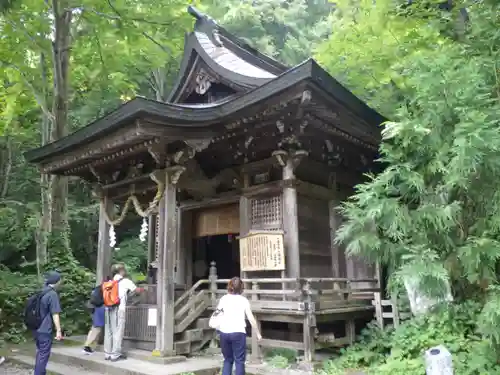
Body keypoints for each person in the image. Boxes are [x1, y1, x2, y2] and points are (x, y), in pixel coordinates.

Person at [216, 277, 262, 375]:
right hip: (238, 332)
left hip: (224, 332)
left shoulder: (223, 299)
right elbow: (251, 319)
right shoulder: (243, 300)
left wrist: (217, 329)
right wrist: (258, 333)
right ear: (241, 288)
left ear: (229, 286)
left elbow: (217, 315)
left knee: (227, 360)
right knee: (239, 361)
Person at [104, 264, 144, 362]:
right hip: (119, 309)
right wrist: (143, 289)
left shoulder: (109, 282)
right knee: (118, 332)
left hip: (108, 308)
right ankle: (115, 355)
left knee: (109, 331)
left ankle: (107, 354)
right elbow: (136, 291)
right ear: (121, 271)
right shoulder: (125, 281)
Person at [34, 271, 63, 375]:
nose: (61, 282)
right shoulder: (52, 294)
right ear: (56, 281)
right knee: (43, 355)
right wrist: (58, 331)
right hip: (45, 329)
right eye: (60, 280)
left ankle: (39, 372)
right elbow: (55, 314)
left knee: (40, 353)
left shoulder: (41, 291)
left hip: (36, 327)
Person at [83, 278, 108, 355]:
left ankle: (88, 346)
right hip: (100, 308)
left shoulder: (98, 288)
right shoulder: (106, 288)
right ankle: (87, 346)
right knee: (96, 329)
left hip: (94, 308)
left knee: (94, 327)